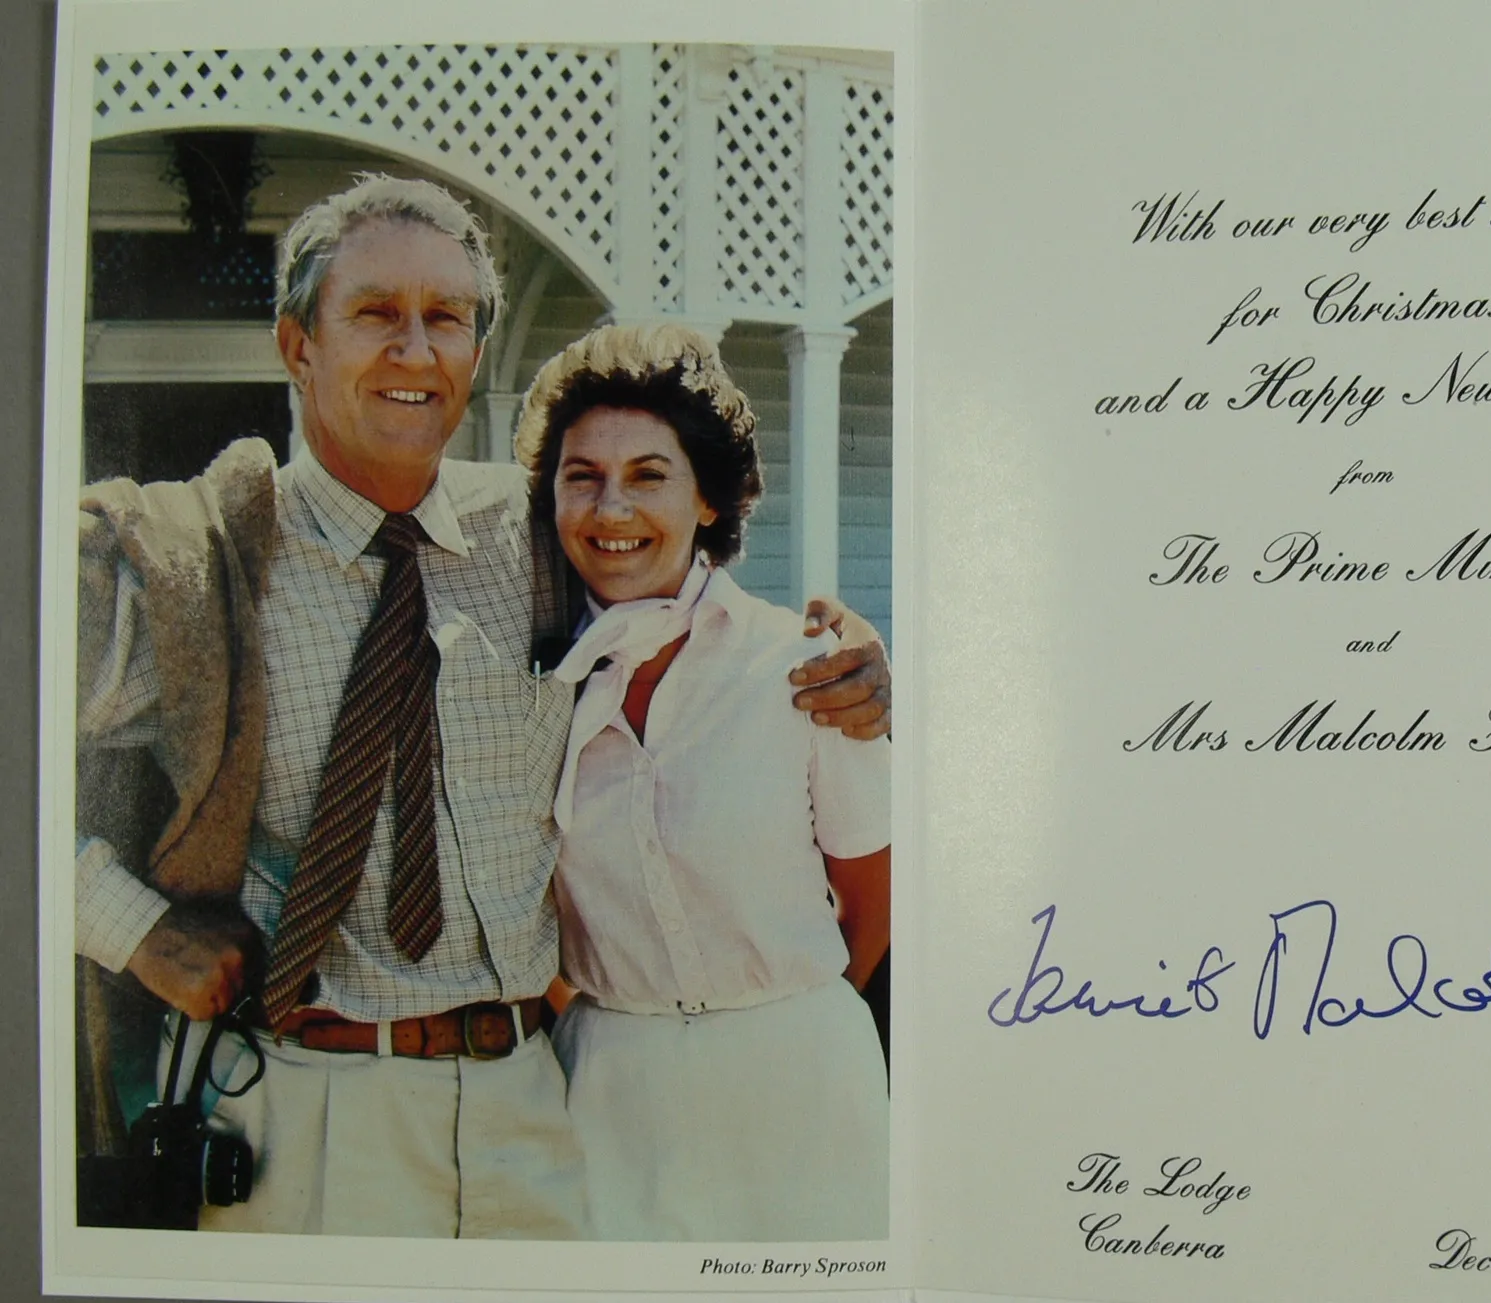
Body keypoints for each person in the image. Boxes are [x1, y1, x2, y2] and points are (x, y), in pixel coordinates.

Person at [73, 174, 891, 1237]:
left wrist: (855, 662)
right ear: (296, 345)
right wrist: (130, 928)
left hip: (534, 1111)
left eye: (447, 318)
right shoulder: (196, 564)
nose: (416, 350)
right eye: (375, 314)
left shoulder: (542, 538)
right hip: (310, 1104)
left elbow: (681, 595)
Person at [512, 323, 890, 1241]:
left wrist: (758, 1021)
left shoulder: (803, 667)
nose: (612, 509)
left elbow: (872, 908)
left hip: (800, 1085)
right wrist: (619, 1027)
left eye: (649, 475)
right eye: (582, 476)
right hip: (610, 1093)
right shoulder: (528, 688)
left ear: (710, 499)